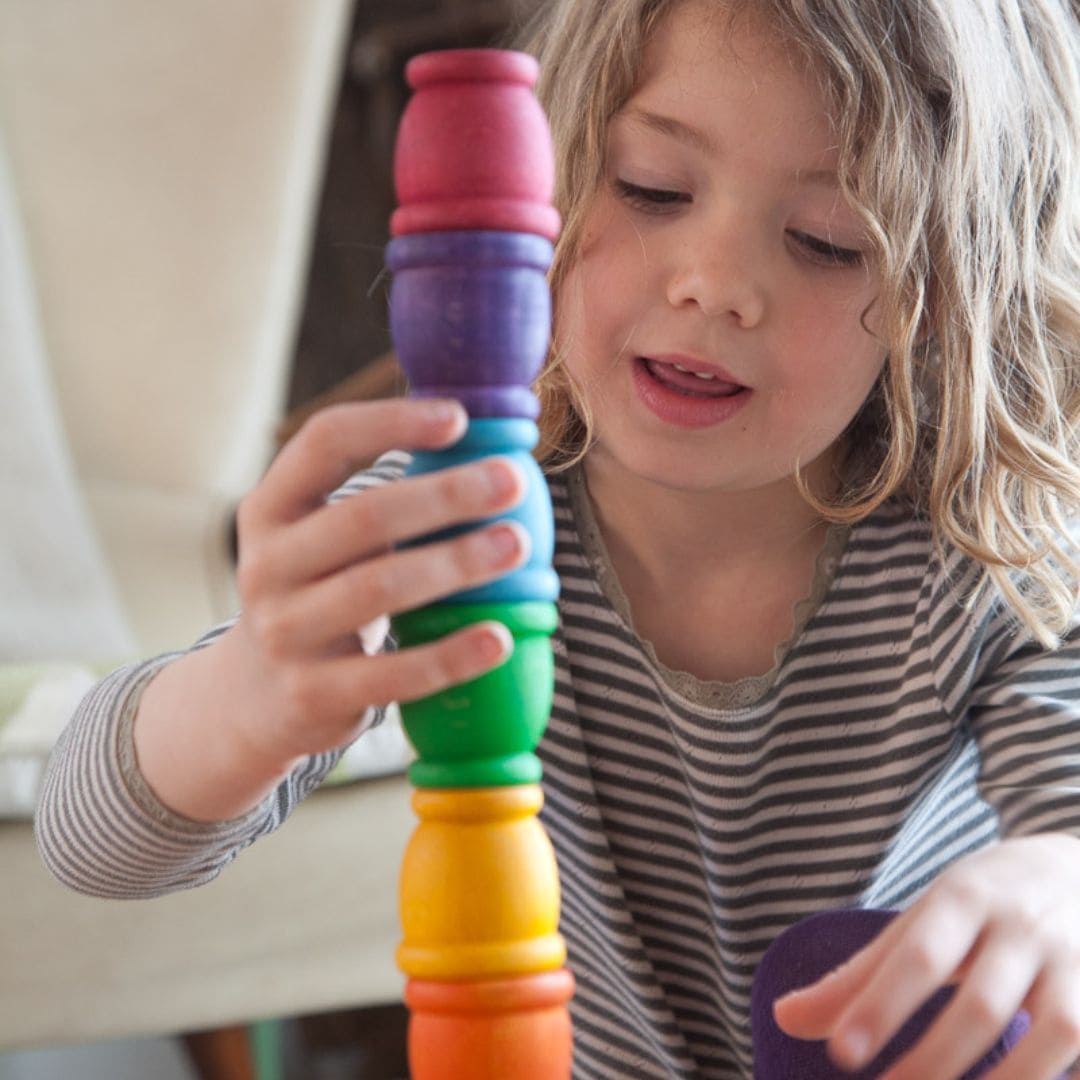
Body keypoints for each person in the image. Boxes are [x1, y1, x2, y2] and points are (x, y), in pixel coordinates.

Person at [35, 0, 1080, 1076]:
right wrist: (255, 693)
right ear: (555, 175)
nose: (713, 283)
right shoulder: (459, 519)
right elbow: (91, 842)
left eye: (828, 242)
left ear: (943, 292)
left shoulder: (988, 557)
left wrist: (1057, 890)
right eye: (651, 188)